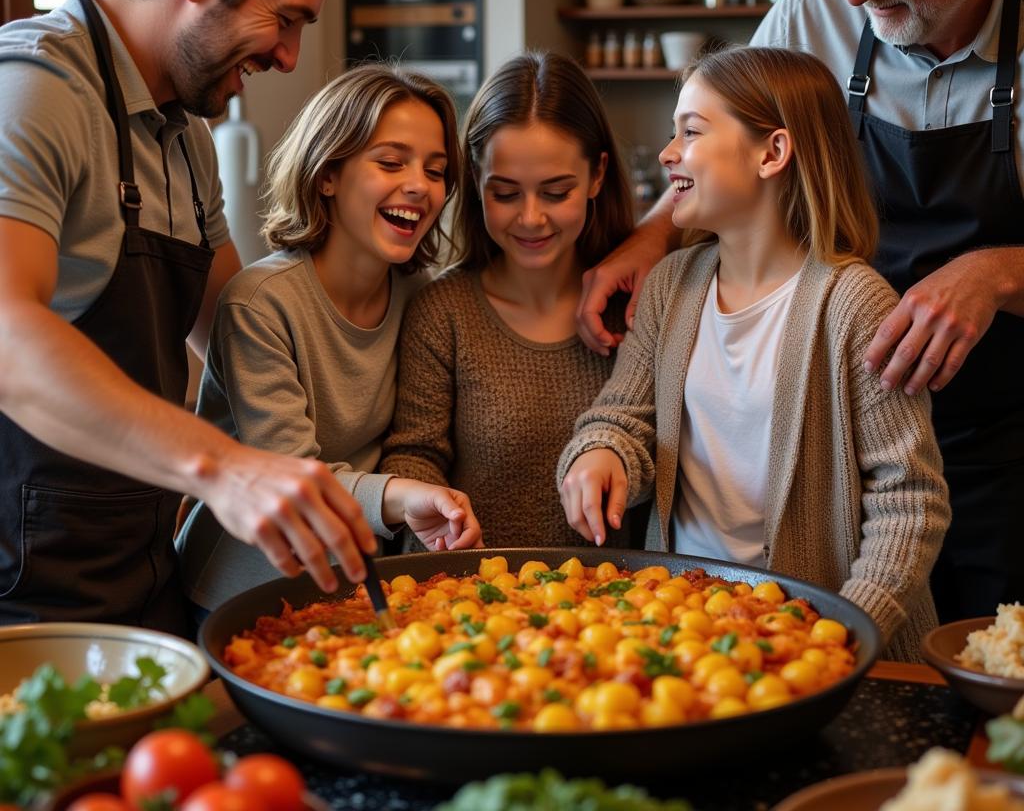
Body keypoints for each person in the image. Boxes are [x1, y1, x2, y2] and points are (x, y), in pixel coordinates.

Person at [579, 0, 1024, 622]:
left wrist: (999, 271)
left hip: (1009, 428)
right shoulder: (813, 10)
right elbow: (725, 131)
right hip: (839, 396)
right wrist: (651, 241)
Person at [0, 0, 379, 633]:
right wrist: (227, 471)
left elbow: (241, 332)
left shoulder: (185, 134)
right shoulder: (34, 90)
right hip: (21, 592)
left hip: (138, 567)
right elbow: (7, 338)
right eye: (286, 19)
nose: (287, 57)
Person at [558, 47, 950, 661]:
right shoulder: (672, 284)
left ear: (772, 153)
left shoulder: (855, 305)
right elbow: (622, 417)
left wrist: (846, 629)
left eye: (690, 132)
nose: (667, 153)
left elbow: (910, 499)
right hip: (688, 632)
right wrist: (601, 453)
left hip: (829, 647)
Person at [178, 65, 483, 614]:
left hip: (359, 586)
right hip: (240, 590)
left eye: (436, 171)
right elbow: (290, 475)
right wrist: (402, 496)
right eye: (391, 162)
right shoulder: (260, 303)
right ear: (327, 174)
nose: (419, 184)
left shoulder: (422, 295)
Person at [380, 52, 634, 547]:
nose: (531, 218)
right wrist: (428, 509)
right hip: (475, 599)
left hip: (619, 604)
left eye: (556, 192)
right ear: (475, 180)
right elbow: (415, 454)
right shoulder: (443, 313)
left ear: (597, 176)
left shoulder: (637, 303)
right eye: (506, 193)